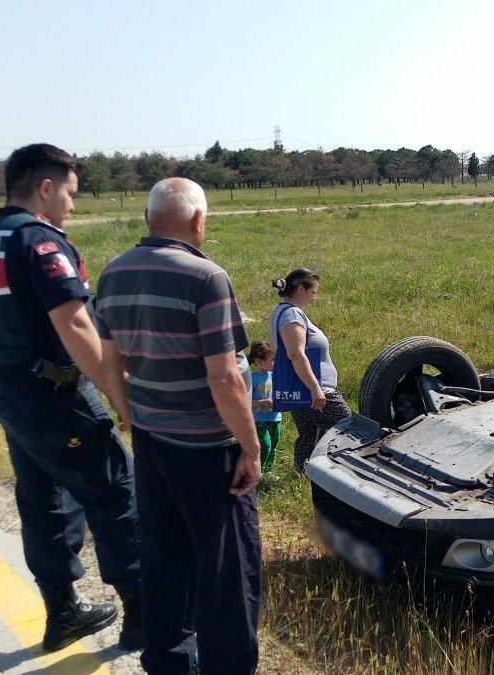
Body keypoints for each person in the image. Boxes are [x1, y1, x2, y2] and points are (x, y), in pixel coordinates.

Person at [0, 143, 142, 652]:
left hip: (6, 390)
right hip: (55, 396)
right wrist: (117, 397)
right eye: (70, 192)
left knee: (43, 502)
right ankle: (144, 614)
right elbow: (76, 326)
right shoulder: (39, 241)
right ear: (45, 187)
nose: (72, 205)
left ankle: (62, 613)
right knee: (116, 495)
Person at [94, 177, 261, 675]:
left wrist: (127, 414)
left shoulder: (113, 272)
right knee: (227, 570)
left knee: (164, 556)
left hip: (150, 441)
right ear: (197, 220)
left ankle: (166, 659)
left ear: (148, 219)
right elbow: (225, 377)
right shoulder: (206, 278)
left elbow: (109, 360)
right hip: (209, 450)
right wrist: (250, 449)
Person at [269, 269, 352, 470]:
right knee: (351, 427)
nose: (315, 297)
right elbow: (295, 354)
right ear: (300, 288)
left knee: (309, 435)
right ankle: (344, 475)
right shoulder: (292, 314)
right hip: (314, 390)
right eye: (313, 291)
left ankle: (303, 476)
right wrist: (316, 388)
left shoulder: (279, 312)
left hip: (299, 389)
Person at [248, 342, 281, 473]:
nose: (275, 362)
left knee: (273, 446)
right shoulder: (252, 378)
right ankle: (258, 473)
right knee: (265, 446)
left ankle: (268, 473)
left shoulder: (276, 376)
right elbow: (245, 400)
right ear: (259, 361)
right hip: (259, 420)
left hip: (276, 418)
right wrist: (261, 403)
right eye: (272, 360)